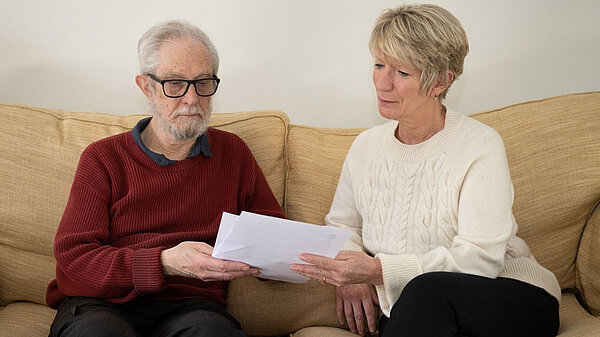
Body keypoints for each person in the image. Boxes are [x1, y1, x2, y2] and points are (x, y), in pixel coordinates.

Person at [291, 4, 561, 337]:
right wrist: (351, 267)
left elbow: (480, 260)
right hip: (415, 309)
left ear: (440, 82)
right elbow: (342, 224)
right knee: (416, 301)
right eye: (378, 65)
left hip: (508, 294)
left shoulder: (480, 144)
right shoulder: (366, 146)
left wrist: (375, 271)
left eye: (402, 73)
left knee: (426, 291)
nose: (382, 83)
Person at [46, 20, 285, 337]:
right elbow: (74, 264)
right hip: (102, 304)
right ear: (146, 86)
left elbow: (277, 244)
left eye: (203, 83)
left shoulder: (234, 154)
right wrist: (164, 262)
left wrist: (278, 258)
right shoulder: (103, 158)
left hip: (193, 306)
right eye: (175, 84)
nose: (191, 99)